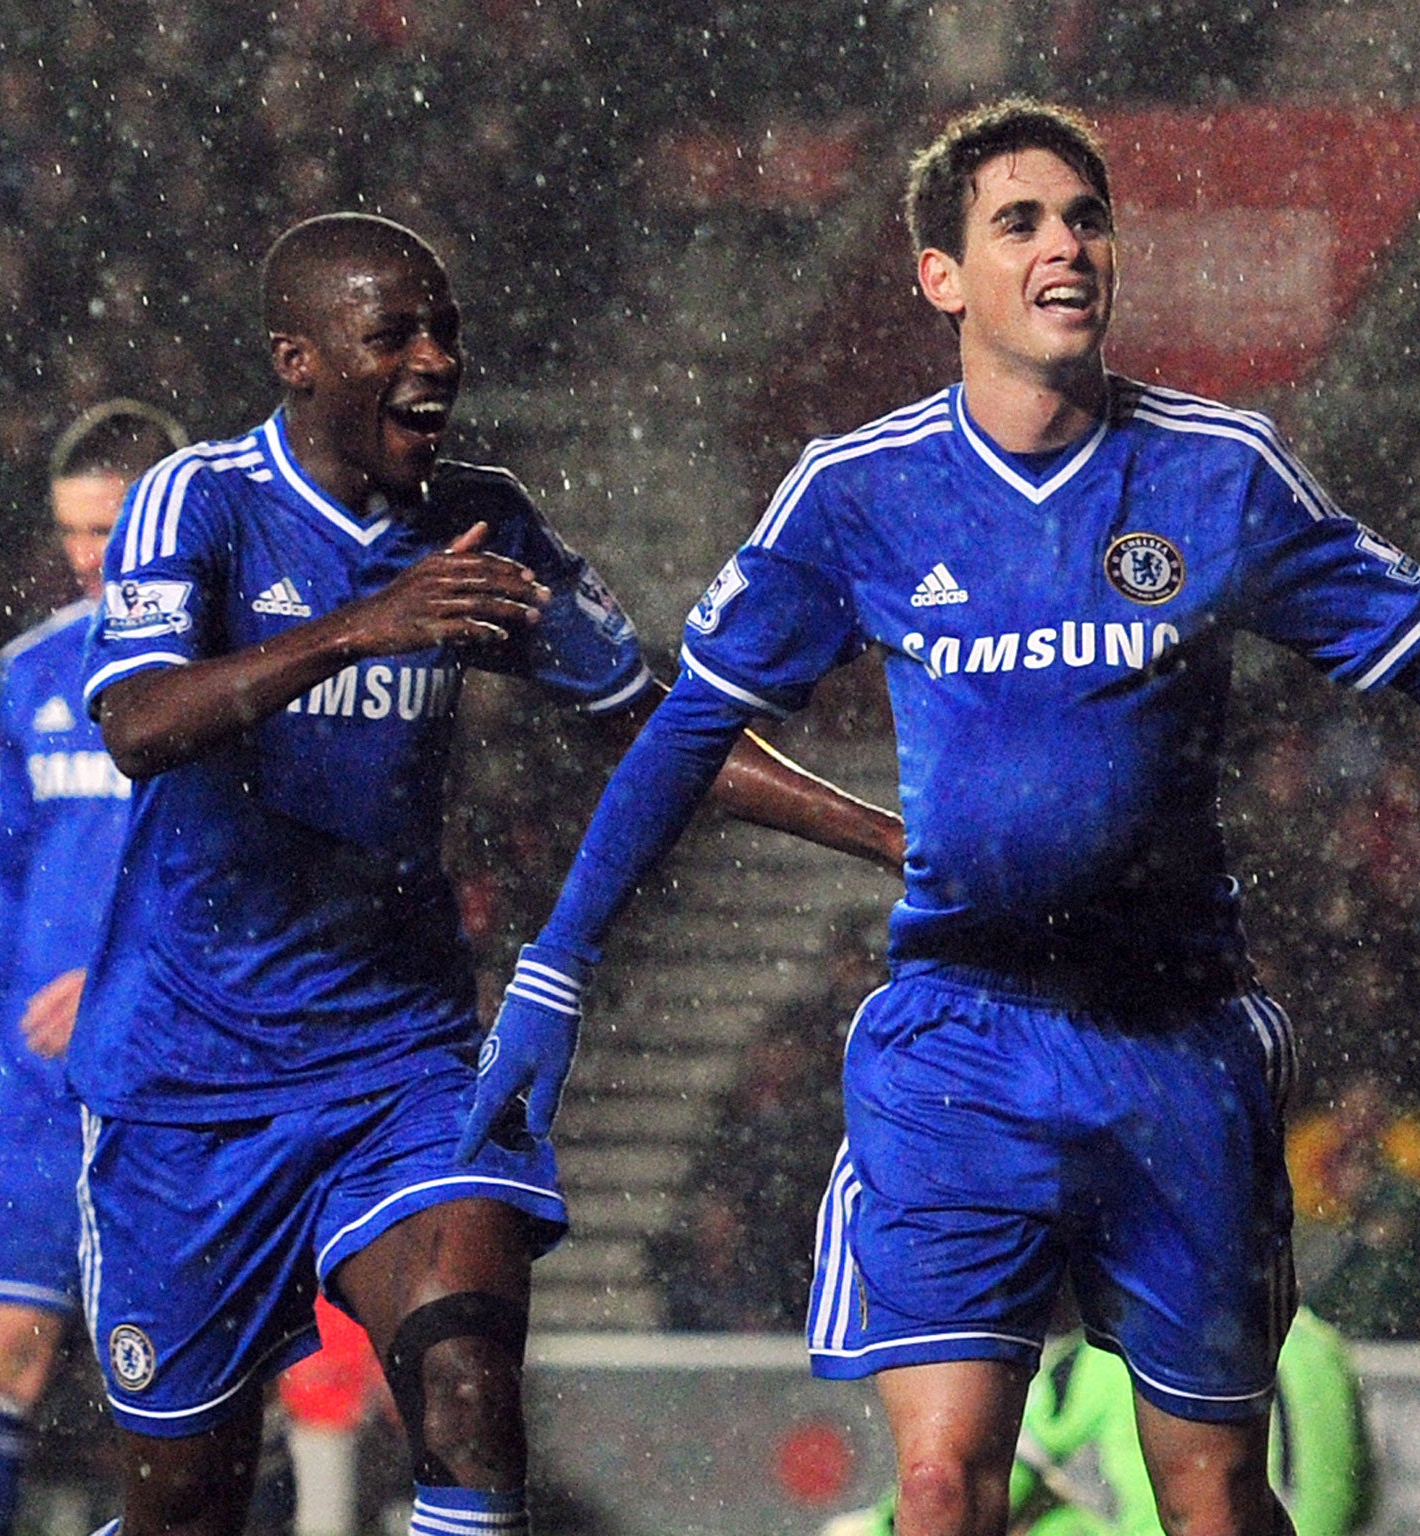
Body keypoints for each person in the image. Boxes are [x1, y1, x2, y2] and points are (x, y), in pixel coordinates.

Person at [470, 99, 1420, 1536]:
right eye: (1021, 222)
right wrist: (556, 970)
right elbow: (686, 735)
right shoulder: (857, 495)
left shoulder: (1216, 473)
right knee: (939, 1482)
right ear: (941, 277)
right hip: (959, 1039)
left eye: (1086, 217)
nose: (1066, 245)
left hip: (1177, 1042)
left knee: (1218, 1493)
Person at [68, 212, 904, 1536]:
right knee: (189, 1510)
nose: (434, 360)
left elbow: (657, 730)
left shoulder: (481, 519)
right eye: (391, 332)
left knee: (465, 1388)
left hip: (396, 1066)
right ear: (297, 357)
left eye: (444, 329)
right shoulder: (203, 499)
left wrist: (896, 840)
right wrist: (363, 626)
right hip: (189, 1085)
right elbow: (138, 725)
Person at [0, 400, 207, 1536]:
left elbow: (247, 884)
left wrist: (128, 972)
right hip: (32, 1099)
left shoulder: (228, 675)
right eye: (72, 534)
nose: (88, 558)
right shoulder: (32, 672)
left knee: (189, 1401)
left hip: (173, 1082)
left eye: (110, 530)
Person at [823, 1304, 1375, 1536]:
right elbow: (1361, 1496)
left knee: (1014, 1500)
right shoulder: (1321, 1344)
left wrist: (870, 1527)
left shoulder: (1109, 1351)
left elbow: (991, 1474)